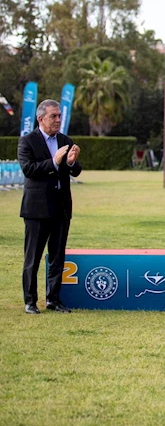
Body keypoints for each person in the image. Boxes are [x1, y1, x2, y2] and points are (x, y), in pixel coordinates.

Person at [18, 99, 82, 314]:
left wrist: (72, 162)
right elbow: (29, 169)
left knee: (57, 257)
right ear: (40, 118)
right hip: (37, 209)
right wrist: (54, 162)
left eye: (59, 116)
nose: (58, 119)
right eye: (53, 116)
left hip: (61, 207)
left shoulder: (65, 140)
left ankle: (53, 299)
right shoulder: (27, 141)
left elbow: (75, 170)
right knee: (33, 258)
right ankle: (30, 301)